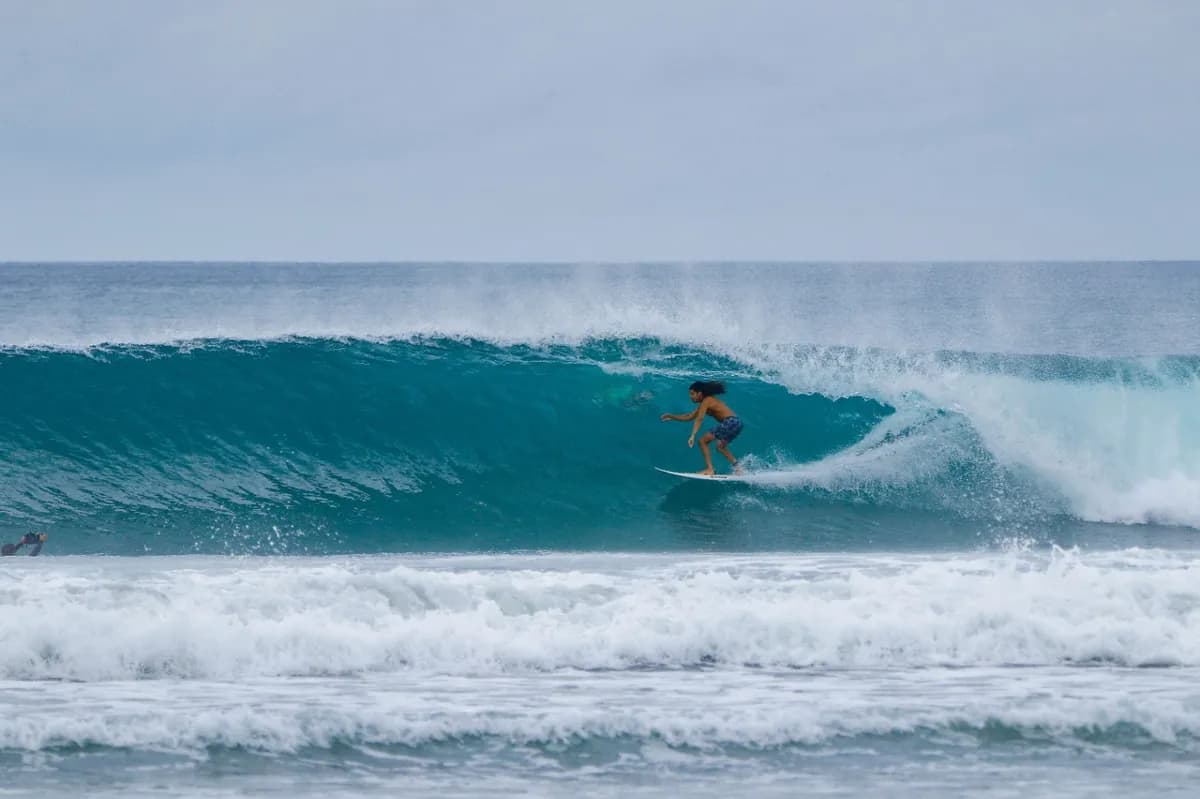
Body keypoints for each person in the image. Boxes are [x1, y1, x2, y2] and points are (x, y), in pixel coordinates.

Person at [660, 381, 743, 475]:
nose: (690, 396)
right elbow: (689, 417)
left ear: (699, 393)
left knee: (702, 441)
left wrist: (693, 435)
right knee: (720, 447)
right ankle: (738, 468)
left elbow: (699, 419)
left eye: (692, 394)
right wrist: (671, 416)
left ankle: (710, 469)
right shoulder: (704, 403)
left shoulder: (707, 400)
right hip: (737, 423)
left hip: (730, 422)